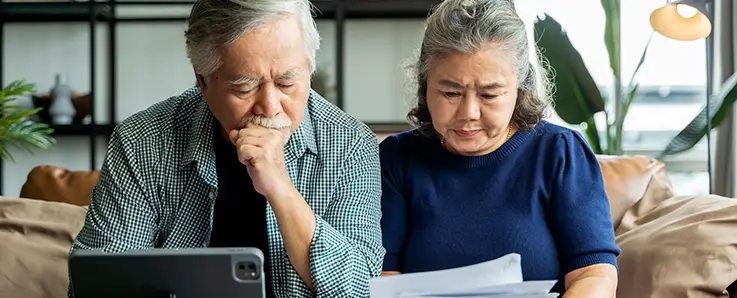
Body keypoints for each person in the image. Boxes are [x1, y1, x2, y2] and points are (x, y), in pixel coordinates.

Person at [67, 0, 385, 297]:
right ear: (202, 81)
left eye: (287, 83)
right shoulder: (143, 141)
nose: (270, 107)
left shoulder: (350, 143)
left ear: (309, 67)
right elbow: (98, 282)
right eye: (244, 87)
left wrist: (281, 189)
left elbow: (361, 288)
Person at [379, 0, 621, 297]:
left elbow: (594, 273)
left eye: (489, 94)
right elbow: (384, 275)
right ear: (425, 84)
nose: (468, 112)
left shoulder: (559, 153)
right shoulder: (396, 159)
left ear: (520, 90)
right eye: (450, 92)